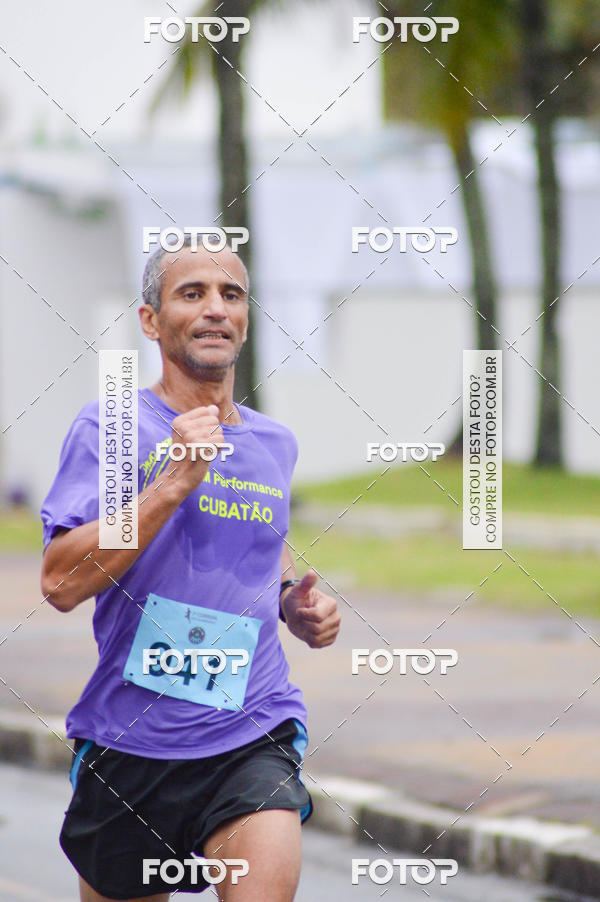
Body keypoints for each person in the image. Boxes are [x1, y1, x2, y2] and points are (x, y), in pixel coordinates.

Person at [40, 237, 341, 902]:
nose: (214, 308)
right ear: (150, 320)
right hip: (132, 742)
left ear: (245, 317)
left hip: (250, 729)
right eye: (192, 293)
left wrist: (293, 599)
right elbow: (61, 582)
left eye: (230, 294)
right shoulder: (112, 430)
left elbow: (263, 545)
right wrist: (172, 483)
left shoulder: (273, 443)